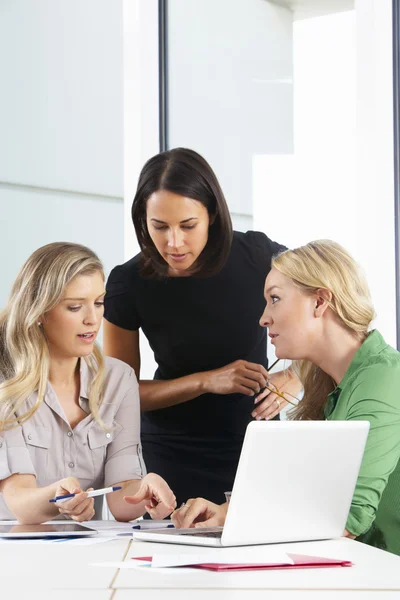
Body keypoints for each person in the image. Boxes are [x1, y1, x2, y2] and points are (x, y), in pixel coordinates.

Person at [171, 240, 400, 556]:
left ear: (319, 302)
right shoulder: (338, 385)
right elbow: (314, 498)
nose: (263, 318)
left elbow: (349, 518)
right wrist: (227, 512)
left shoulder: (384, 378)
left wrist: (238, 517)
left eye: (274, 299)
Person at [103, 147, 301, 506]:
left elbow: (326, 310)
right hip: (170, 452)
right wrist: (207, 381)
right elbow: (120, 393)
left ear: (211, 214)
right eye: (159, 227)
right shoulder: (127, 281)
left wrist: (297, 374)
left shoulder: (257, 257)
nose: (173, 242)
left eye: (188, 225)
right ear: (142, 220)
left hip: (253, 444)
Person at [0, 242, 176, 524]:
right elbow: (19, 500)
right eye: (74, 307)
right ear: (41, 311)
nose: (92, 319)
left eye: (98, 303)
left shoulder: (119, 380)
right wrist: (57, 499)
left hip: (87, 554)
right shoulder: (7, 381)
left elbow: (121, 501)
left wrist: (145, 490)